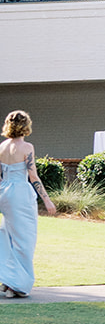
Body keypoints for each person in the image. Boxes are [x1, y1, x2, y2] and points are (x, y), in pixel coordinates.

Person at [0, 109, 57, 297]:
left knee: (8, 237)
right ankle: (17, 285)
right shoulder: (27, 148)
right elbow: (33, 176)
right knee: (25, 240)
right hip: (20, 194)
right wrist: (47, 201)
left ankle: (9, 281)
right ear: (26, 125)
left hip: (4, 193)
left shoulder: (2, 147)